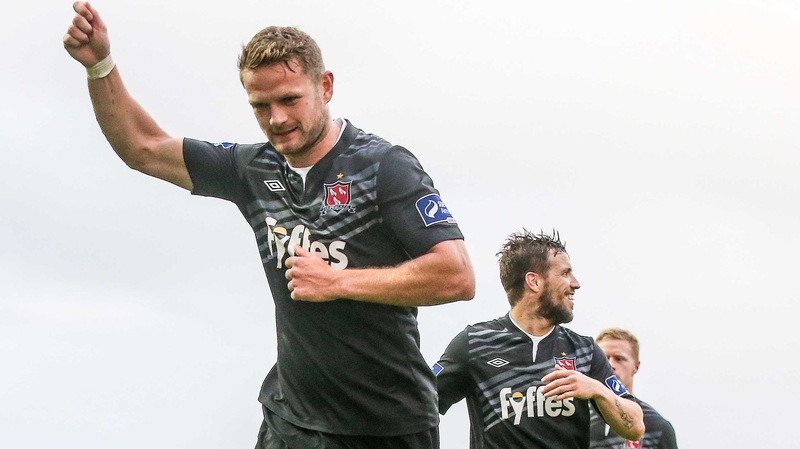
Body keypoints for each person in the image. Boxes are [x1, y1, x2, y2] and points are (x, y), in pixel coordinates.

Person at [63, 2, 476, 448]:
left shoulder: (384, 166)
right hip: (290, 422)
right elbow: (142, 147)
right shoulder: (252, 169)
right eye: (261, 106)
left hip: (386, 426)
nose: (276, 119)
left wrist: (338, 281)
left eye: (289, 100)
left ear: (325, 86)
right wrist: (100, 66)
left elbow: (456, 275)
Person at [433, 230, 644, 449]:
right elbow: (420, 403)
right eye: (565, 273)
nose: (575, 283)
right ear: (534, 281)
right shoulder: (475, 343)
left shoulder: (584, 350)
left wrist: (598, 390)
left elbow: (636, 427)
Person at [589, 328, 677, 449]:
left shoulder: (657, 427)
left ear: (636, 366)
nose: (610, 365)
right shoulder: (576, 417)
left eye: (619, 358)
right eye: (604, 359)